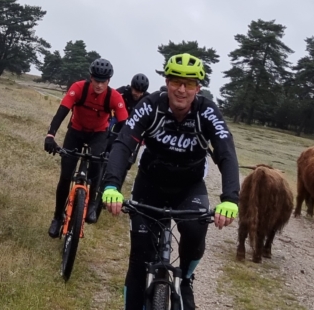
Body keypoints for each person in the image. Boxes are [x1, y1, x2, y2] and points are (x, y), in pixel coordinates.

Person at [100, 53, 240, 310]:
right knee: (139, 260)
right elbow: (123, 144)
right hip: (149, 184)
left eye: (189, 84)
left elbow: (226, 151)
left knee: (195, 230)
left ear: (199, 87)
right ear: (166, 82)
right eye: (176, 81)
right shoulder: (151, 105)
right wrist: (111, 186)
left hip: (189, 186)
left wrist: (230, 199)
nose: (182, 89)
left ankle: (185, 277)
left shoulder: (207, 111)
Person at [44, 58, 128, 234]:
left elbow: (124, 124)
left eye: (103, 82)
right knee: (66, 176)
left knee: (96, 166)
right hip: (75, 131)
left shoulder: (114, 97)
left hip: (98, 134)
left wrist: (118, 147)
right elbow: (62, 111)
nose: (99, 85)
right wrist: (50, 135)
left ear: (109, 81)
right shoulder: (78, 88)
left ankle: (90, 205)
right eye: (96, 80)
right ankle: (57, 217)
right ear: (90, 77)